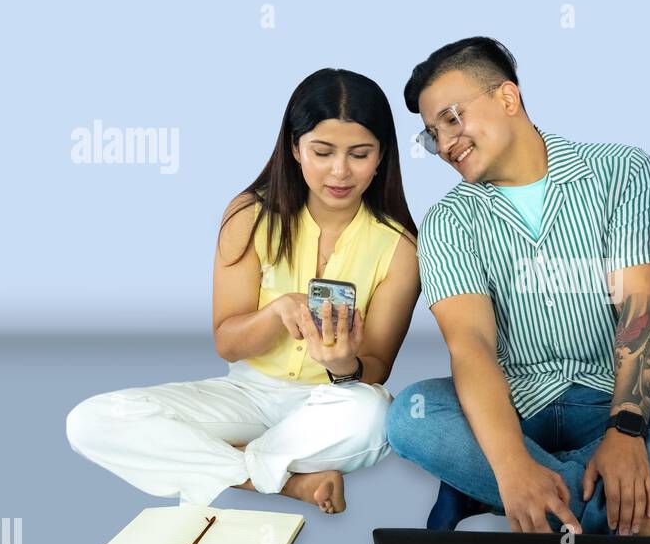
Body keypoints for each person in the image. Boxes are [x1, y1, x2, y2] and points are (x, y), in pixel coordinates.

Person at [384, 36, 650, 544]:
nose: (444, 144)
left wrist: (625, 433)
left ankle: (489, 492)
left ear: (508, 98)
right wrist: (510, 463)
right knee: (409, 418)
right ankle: (635, 515)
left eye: (453, 119)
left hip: (612, 397)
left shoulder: (622, 172)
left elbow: (638, 309)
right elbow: (471, 346)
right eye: (432, 133)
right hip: (511, 407)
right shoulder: (447, 221)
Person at [66, 69, 420, 512]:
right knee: (92, 421)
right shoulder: (250, 213)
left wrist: (345, 364)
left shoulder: (401, 247)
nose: (340, 171)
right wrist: (274, 314)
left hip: (330, 404)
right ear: (294, 147)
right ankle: (284, 479)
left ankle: (224, 462)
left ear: (382, 155)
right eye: (322, 151)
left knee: (372, 417)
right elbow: (228, 345)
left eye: (360, 154)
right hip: (247, 395)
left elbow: (378, 368)